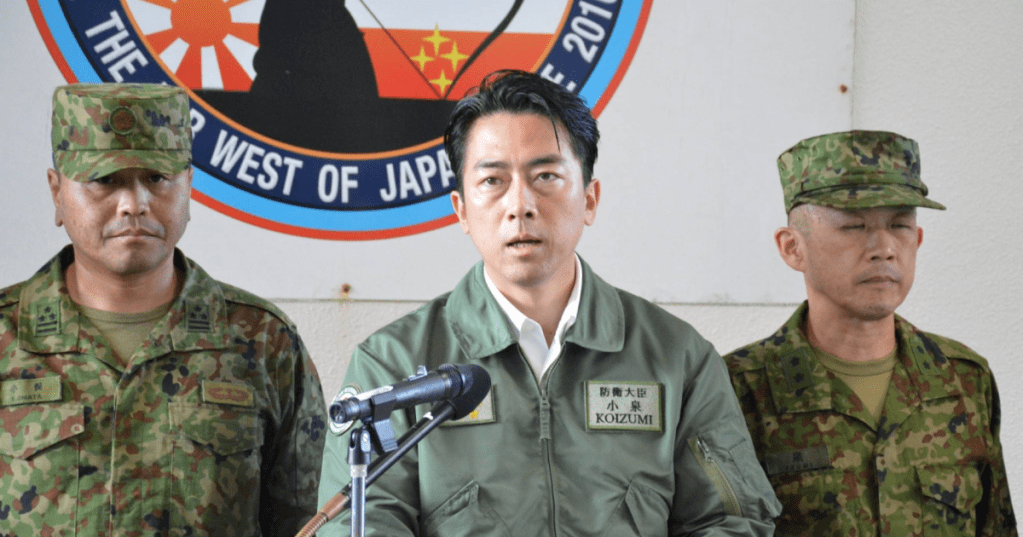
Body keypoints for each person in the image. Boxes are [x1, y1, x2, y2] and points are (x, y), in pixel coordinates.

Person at [317, 70, 780, 536]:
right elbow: (363, 525)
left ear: (590, 200)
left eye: (546, 176)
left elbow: (733, 520)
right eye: (493, 180)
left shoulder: (676, 358)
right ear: (461, 210)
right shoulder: (393, 366)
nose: (520, 204)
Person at [0, 83, 327, 536]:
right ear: (57, 193)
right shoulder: (6, 337)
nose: (134, 203)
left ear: (188, 187)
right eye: (104, 179)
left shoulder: (261, 342)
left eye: (156, 178)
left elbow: (307, 524)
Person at [724, 130, 1017, 536]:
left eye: (899, 224)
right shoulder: (737, 389)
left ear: (917, 240)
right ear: (793, 248)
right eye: (853, 226)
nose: (884, 248)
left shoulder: (964, 380)